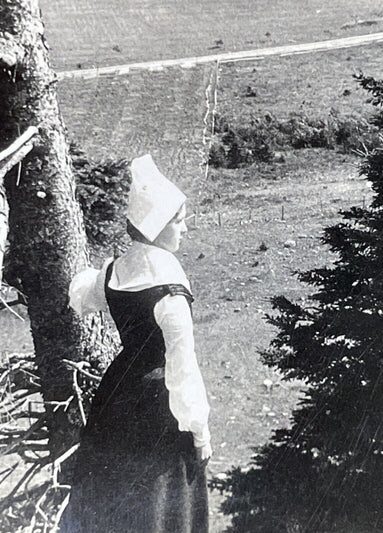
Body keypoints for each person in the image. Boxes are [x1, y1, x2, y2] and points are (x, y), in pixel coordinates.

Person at [61, 154, 211, 533]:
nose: (185, 229)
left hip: (117, 396)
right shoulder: (171, 287)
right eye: (179, 221)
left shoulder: (115, 270)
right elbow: (182, 366)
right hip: (158, 407)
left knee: (116, 498)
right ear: (158, 226)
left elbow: (83, 296)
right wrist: (200, 433)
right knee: (160, 503)